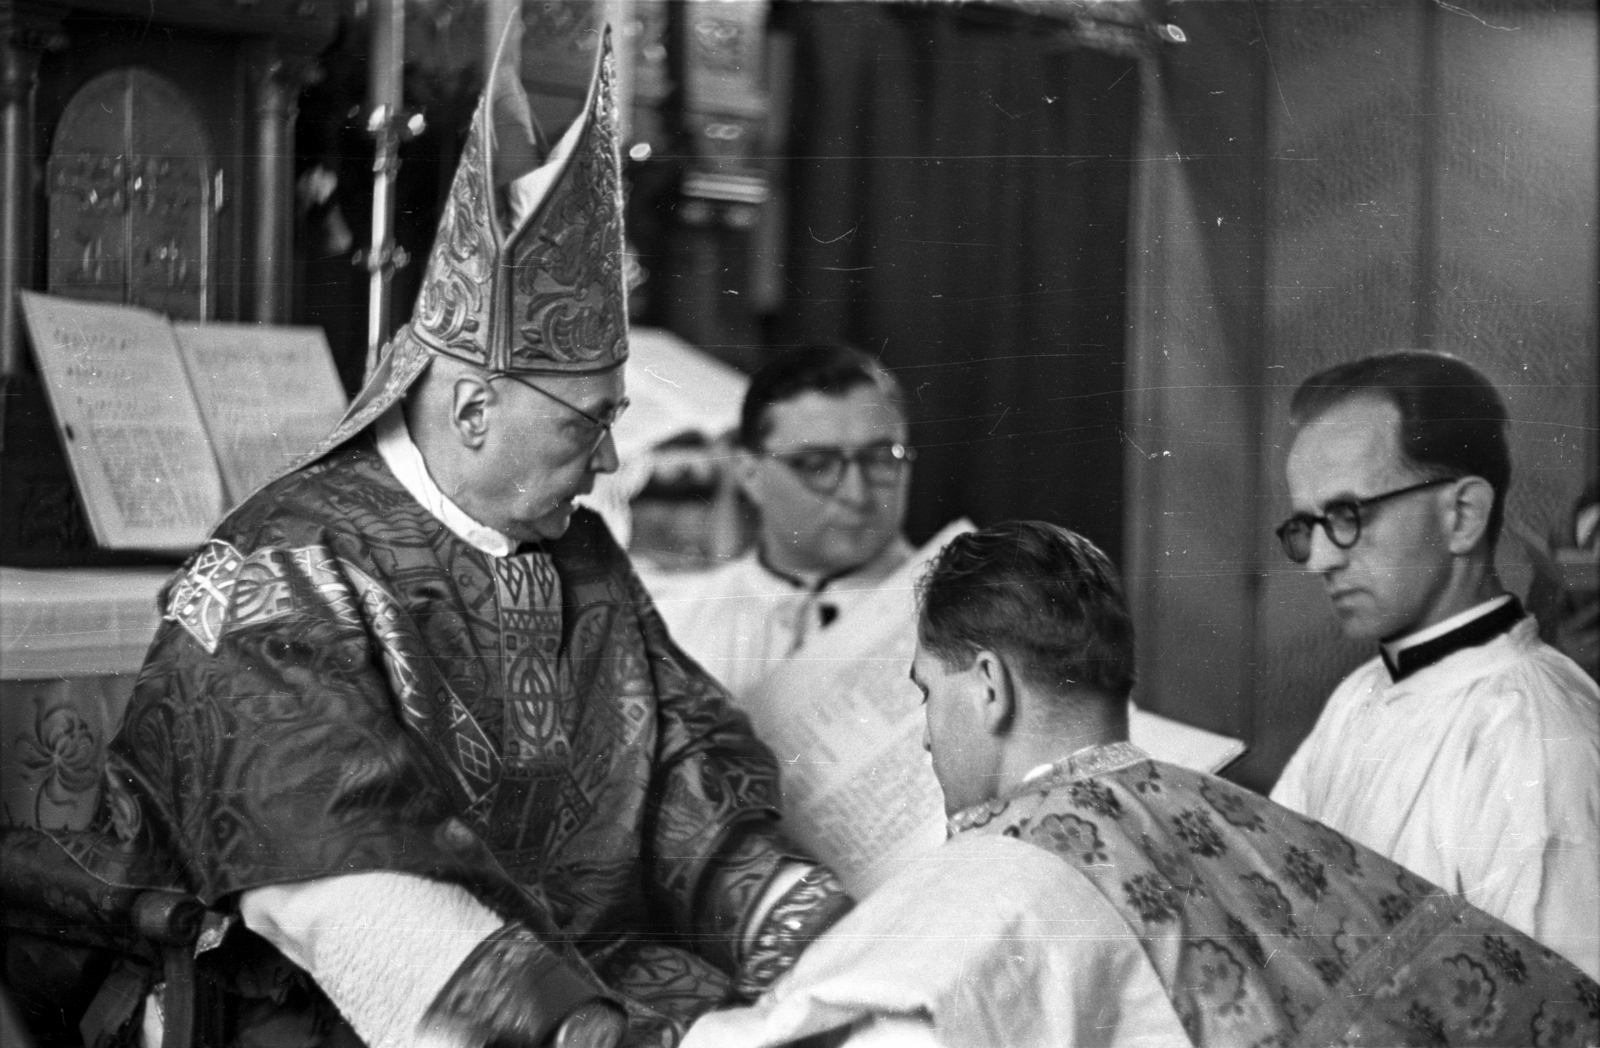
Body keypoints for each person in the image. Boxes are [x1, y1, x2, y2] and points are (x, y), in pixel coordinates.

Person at [67, 24, 851, 1048]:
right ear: (472, 409)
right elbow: (332, 878)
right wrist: (561, 1022)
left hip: (614, 985)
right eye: (588, 425)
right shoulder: (283, 575)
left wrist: (791, 918)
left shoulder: (576, 550)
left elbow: (679, 764)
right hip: (374, 1007)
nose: (611, 463)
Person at [683, 522, 1600, 1048]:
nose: (925, 735)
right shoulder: (1245, 819)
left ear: (990, 686)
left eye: (928, 693)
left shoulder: (1003, 881)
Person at [1268, 351, 1599, 978]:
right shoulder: (1359, 694)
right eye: (1307, 527)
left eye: (1346, 516)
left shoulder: (1541, 743)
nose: (1317, 562)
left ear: (1462, 515)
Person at [648, 343, 915, 698]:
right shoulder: (675, 626)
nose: (857, 493)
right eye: (817, 465)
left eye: (880, 458)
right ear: (750, 474)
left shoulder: (969, 620)